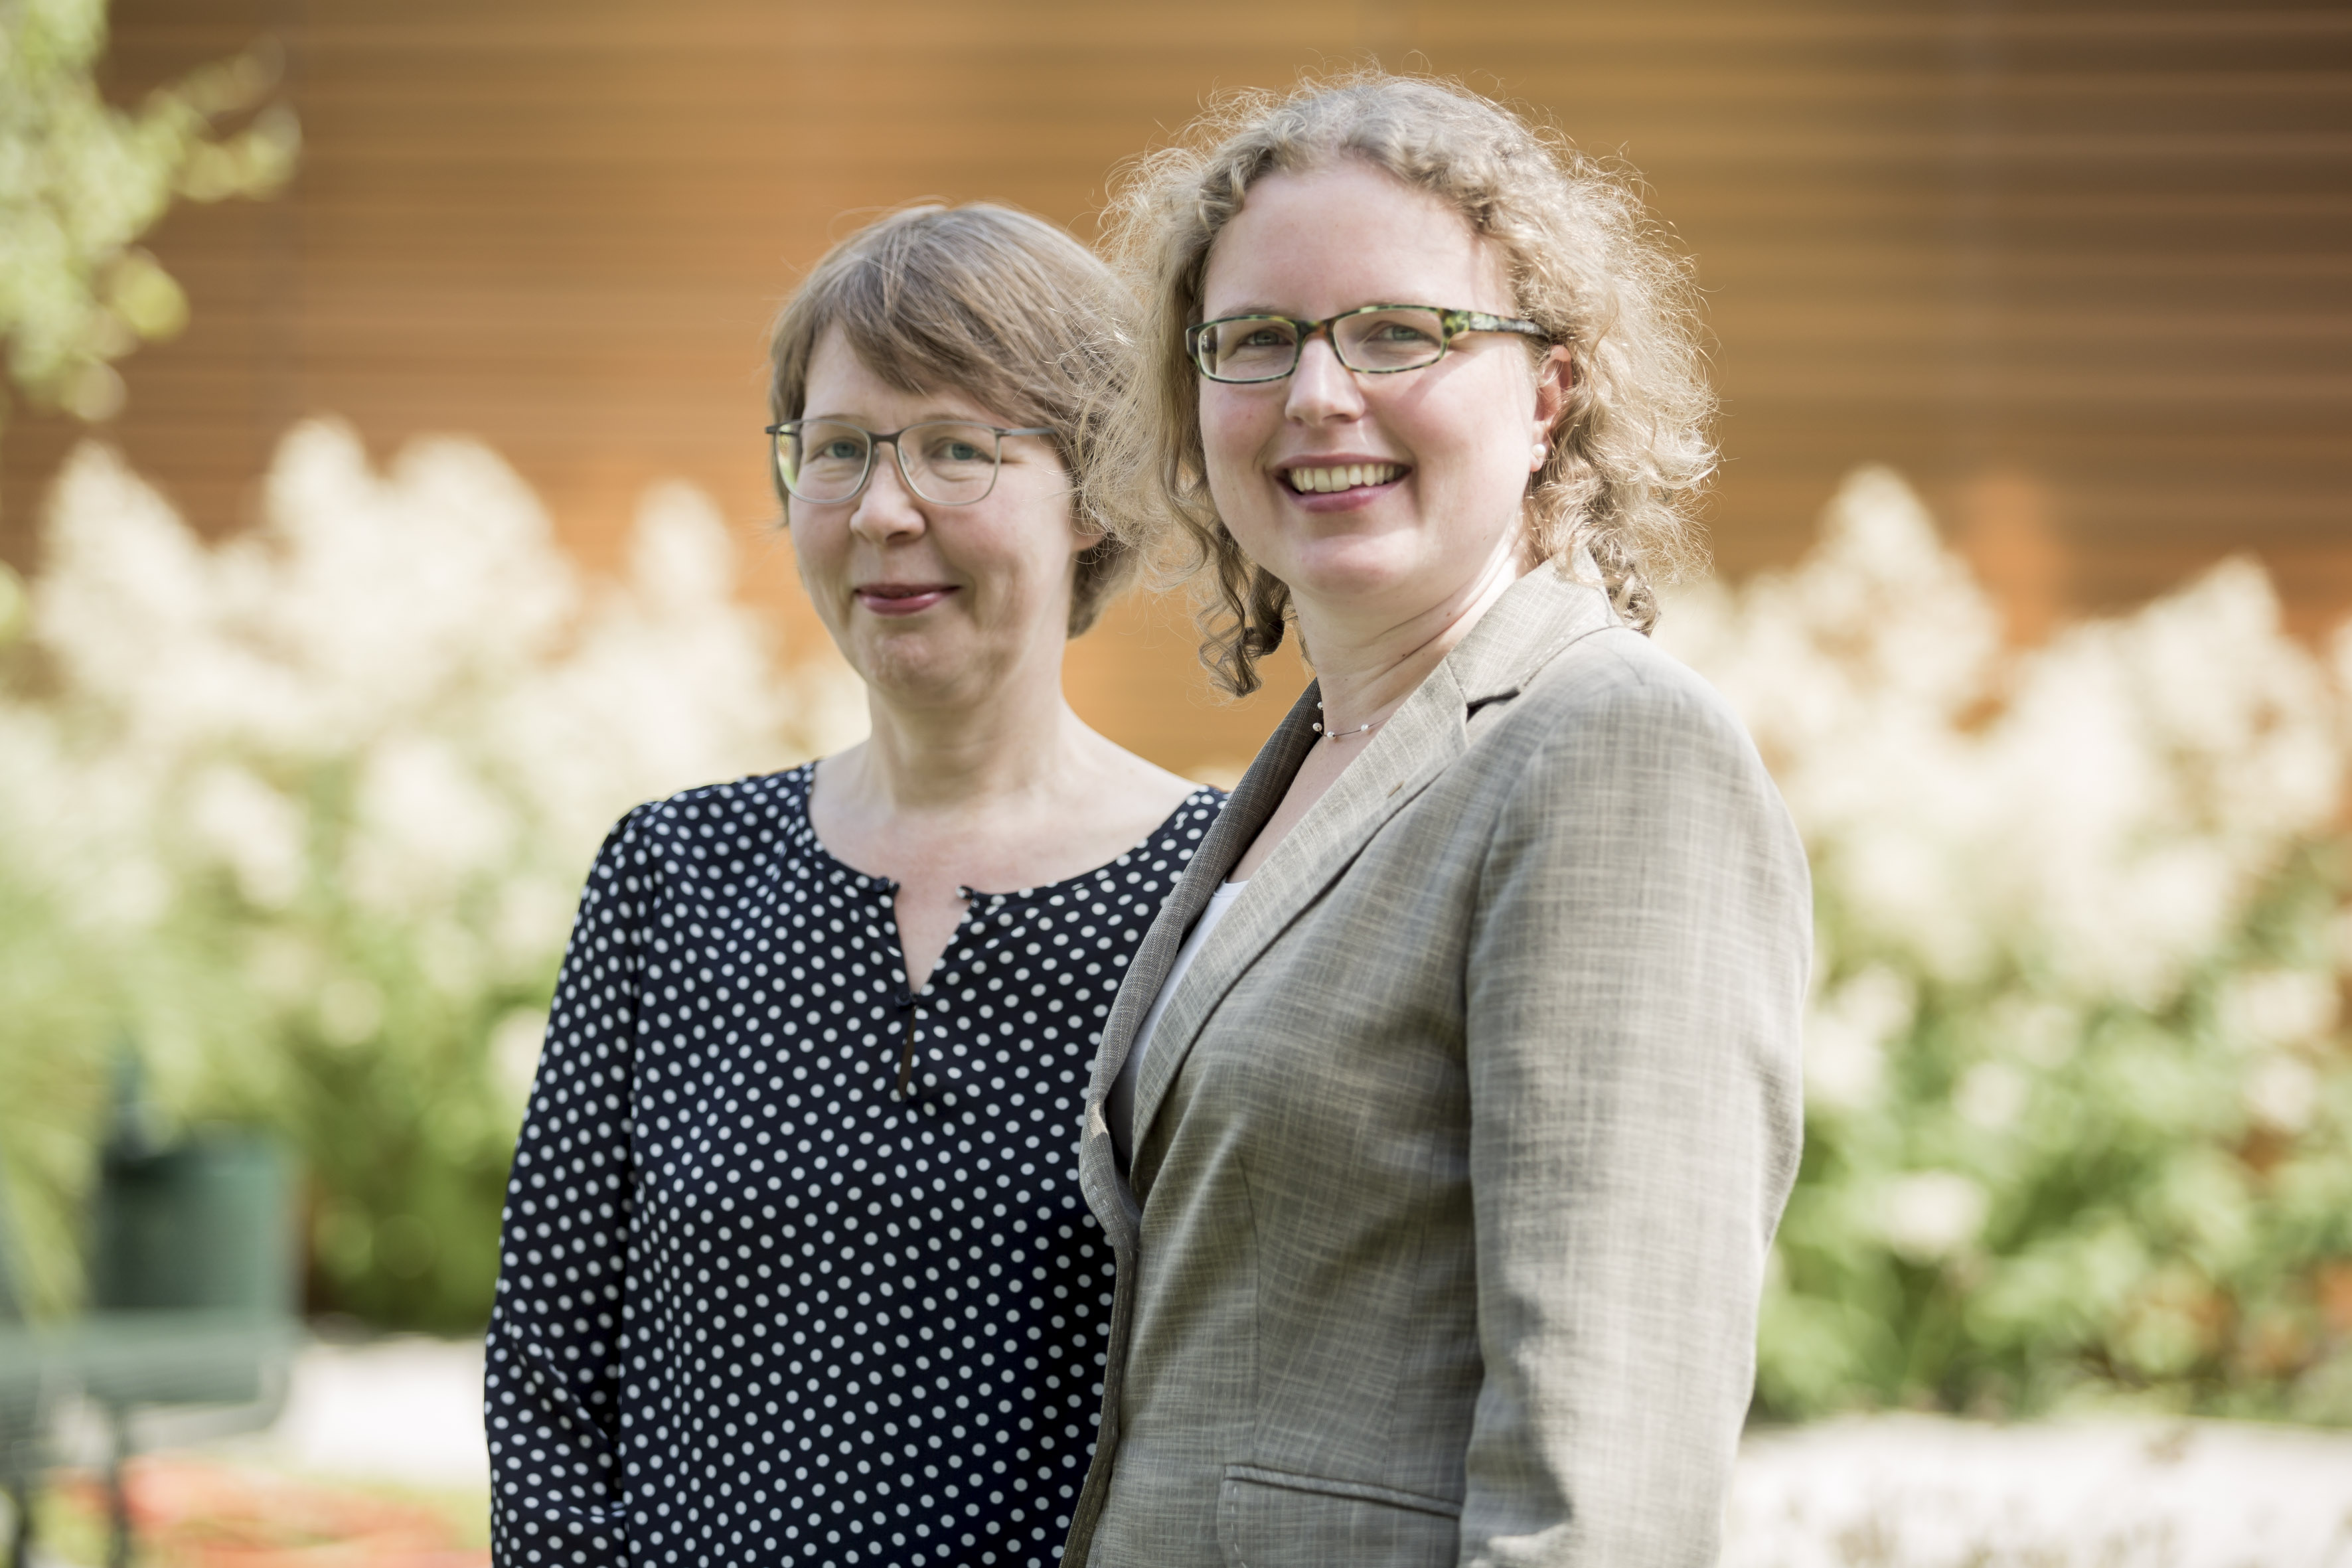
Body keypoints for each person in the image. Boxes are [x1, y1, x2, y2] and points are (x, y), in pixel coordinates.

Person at [1067, 76, 1812, 1567]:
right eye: (1255, 340)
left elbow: (1605, 1473)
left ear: (1547, 392)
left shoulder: (1609, 753)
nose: (1316, 395)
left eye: (1398, 332)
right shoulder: (1303, 774)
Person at [485, 203, 1221, 1567]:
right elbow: (544, 1387)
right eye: (836, 451)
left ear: (1099, 491)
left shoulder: (1226, 891)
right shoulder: (672, 877)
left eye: (954, 447)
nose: (883, 509)